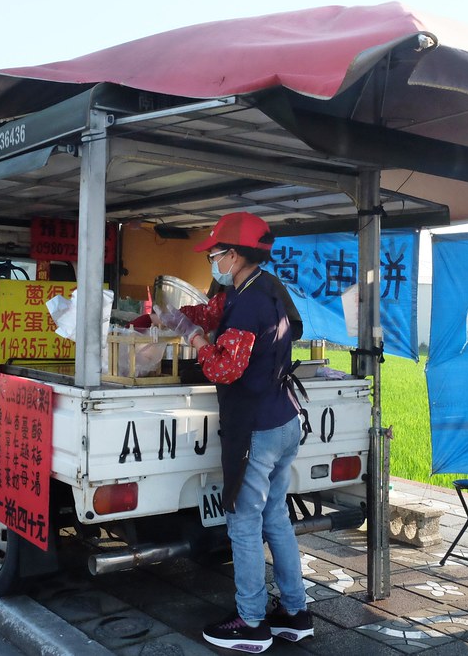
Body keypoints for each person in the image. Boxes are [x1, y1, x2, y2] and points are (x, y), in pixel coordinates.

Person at [155, 212, 313, 653]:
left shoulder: (248, 303)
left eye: (216, 253)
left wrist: (195, 339)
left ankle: (251, 621)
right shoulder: (262, 288)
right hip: (284, 419)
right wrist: (171, 317)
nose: (213, 261)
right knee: (275, 516)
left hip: (256, 427)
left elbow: (226, 368)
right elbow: (211, 311)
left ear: (237, 254)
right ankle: (295, 613)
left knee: (243, 523)